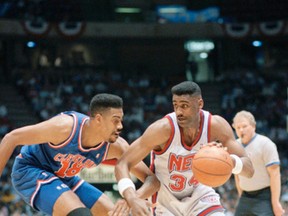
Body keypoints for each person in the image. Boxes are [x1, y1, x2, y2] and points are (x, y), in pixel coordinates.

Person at [0, 93, 160, 216]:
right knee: (80, 214)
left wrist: (133, 197)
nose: (120, 126)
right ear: (98, 119)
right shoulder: (64, 127)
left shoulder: (116, 146)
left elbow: (151, 179)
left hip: (67, 179)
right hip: (30, 171)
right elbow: (11, 138)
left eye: (121, 120)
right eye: (115, 120)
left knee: (114, 213)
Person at [113, 81, 254, 216]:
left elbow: (249, 170)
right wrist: (131, 196)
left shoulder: (216, 126)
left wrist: (229, 160)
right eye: (175, 105)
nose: (179, 111)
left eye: (184, 106)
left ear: (200, 104)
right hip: (165, 199)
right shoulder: (162, 129)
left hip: (199, 193)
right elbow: (123, 163)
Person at [232, 110, 285, 216]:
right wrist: (240, 195)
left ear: (253, 126)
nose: (241, 130)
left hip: (264, 196)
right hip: (245, 196)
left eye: (244, 126)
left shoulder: (266, 144)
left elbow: (275, 174)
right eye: (238, 128)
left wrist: (275, 203)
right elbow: (237, 174)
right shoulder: (234, 146)